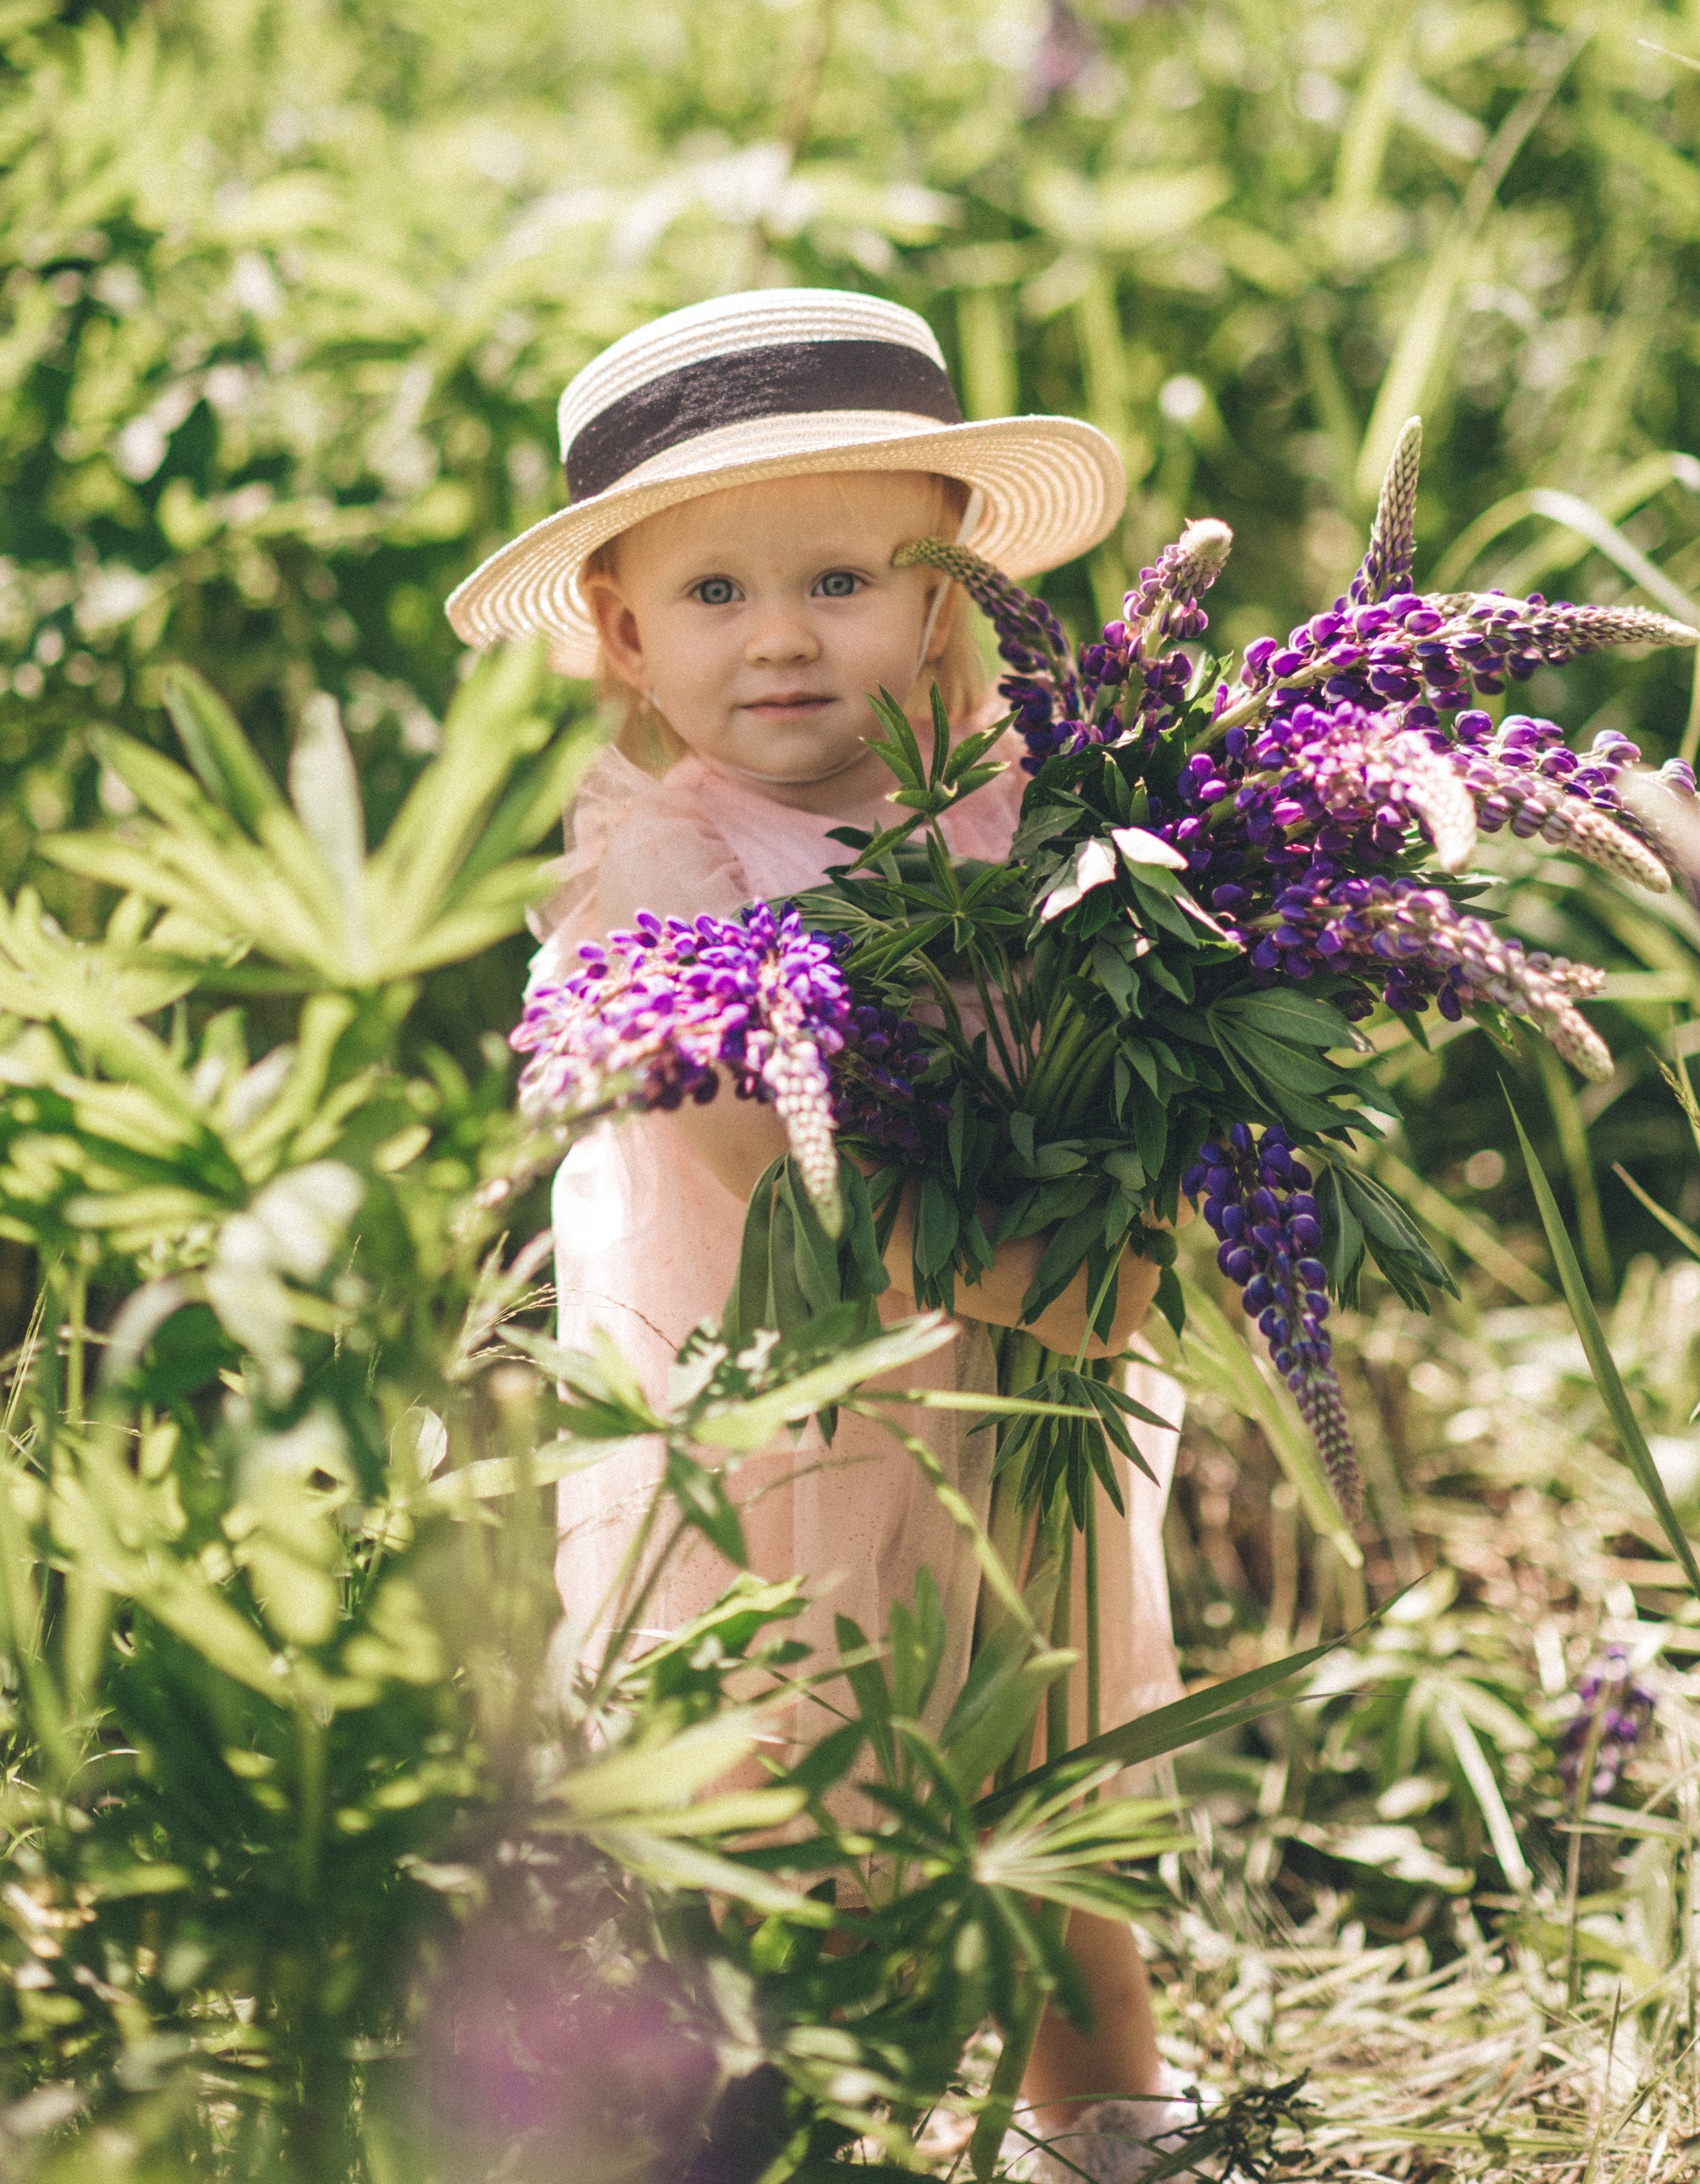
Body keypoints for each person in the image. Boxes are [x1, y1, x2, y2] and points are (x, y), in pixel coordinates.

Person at [448, 287, 1194, 2180]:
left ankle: (1112, 2122)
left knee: (1041, 1782)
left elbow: (1148, 1035)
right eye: (712, 592)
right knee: (805, 1805)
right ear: (623, 632)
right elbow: (755, 1164)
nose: (779, 634)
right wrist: (1040, 1277)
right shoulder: (657, 869)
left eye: (841, 580)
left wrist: (1153, 1177)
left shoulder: (1030, 806)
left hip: (1025, 1400)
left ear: (940, 598)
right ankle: (810, 2130)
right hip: (782, 1423)